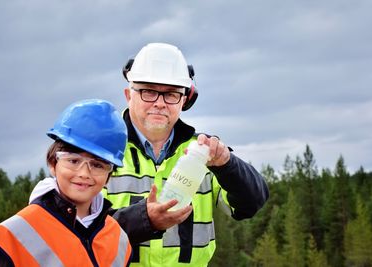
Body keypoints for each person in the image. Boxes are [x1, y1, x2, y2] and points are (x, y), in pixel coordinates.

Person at [103, 43, 269, 266]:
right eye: (149, 91)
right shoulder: (101, 151)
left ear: (184, 99)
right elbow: (81, 226)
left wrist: (226, 164)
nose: (160, 103)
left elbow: (250, 205)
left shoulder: (204, 152)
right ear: (128, 95)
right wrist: (145, 219)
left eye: (171, 94)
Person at [0, 99, 133, 266]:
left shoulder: (119, 239)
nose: (84, 173)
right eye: (73, 161)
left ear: (108, 176)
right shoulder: (13, 236)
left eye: (97, 165)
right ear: (53, 164)